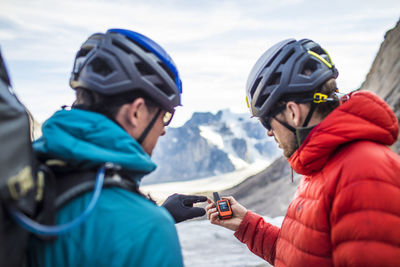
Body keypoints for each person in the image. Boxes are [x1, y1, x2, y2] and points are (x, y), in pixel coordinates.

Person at [206, 38, 400, 266]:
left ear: (293, 113)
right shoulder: (326, 168)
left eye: (267, 122)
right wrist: (246, 224)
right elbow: (303, 256)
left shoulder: (363, 175)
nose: (269, 133)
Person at [28, 29, 206, 267]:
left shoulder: (27, 169)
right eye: (165, 116)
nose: (163, 130)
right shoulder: (148, 230)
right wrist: (148, 224)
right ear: (137, 112)